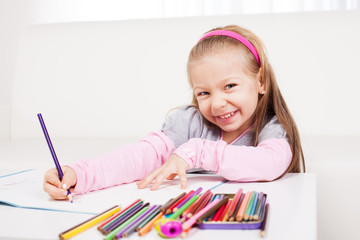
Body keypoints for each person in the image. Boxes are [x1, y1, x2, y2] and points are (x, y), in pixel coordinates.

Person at [43, 25, 305, 200]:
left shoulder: (271, 127)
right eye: (204, 92)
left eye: (230, 86)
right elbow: (140, 156)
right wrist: (80, 174)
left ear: (261, 83)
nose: (216, 104)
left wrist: (198, 151)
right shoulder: (189, 122)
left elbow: (270, 164)